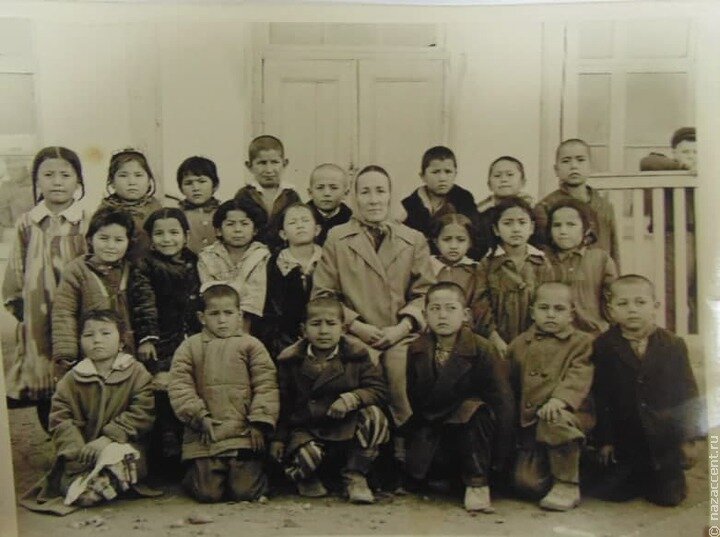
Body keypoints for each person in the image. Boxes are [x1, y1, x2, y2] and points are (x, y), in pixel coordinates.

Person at [312, 165, 436, 434]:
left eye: (380, 191)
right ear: (354, 197)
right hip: (354, 334)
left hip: (400, 335)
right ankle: (366, 445)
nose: (373, 199)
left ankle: (404, 439)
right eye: (365, 192)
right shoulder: (337, 238)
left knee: (402, 374)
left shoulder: (413, 239)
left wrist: (401, 328)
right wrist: (357, 326)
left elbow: (425, 294)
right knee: (359, 379)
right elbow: (323, 295)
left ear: (390, 195)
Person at [21, 309, 155, 515]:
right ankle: (89, 486)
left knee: (121, 457)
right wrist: (77, 450)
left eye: (105, 333)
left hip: (119, 444)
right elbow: (60, 419)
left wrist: (108, 439)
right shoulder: (71, 379)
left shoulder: (136, 373)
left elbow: (142, 412)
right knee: (72, 476)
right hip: (82, 453)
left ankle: (103, 483)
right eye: (88, 335)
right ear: (80, 341)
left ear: (121, 341)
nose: (96, 340)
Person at [590, 275, 704, 506]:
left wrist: (690, 438)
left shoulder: (673, 345)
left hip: (663, 438)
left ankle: (664, 476)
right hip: (625, 437)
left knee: (668, 497)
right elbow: (601, 396)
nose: (632, 309)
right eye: (623, 304)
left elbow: (688, 393)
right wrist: (605, 440)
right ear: (611, 310)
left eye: (640, 302)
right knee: (613, 493)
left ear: (655, 306)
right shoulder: (604, 345)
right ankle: (629, 474)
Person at [404, 282, 513, 513]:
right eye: (435, 309)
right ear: (425, 314)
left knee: (474, 410)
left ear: (465, 315)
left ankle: (477, 483)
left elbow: (502, 403)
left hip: (476, 435)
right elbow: (415, 397)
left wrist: (500, 459)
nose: (442, 315)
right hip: (436, 427)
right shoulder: (417, 348)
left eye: (450, 308)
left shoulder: (482, 349)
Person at [270, 297, 389, 504]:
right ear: (303, 330)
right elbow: (285, 404)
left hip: (345, 425)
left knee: (374, 417)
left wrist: (352, 399)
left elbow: (378, 390)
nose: (323, 331)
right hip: (308, 428)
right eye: (316, 324)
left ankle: (355, 475)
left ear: (343, 329)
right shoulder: (291, 361)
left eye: (331, 324)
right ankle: (306, 477)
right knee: (307, 457)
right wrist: (278, 439)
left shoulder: (357, 355)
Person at [168, 283, 279, 503]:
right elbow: (180, 386)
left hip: (243, 434)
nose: (222, 320)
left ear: (239, 315)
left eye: (228, 313)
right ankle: (196, 475)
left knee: (244, 492)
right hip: (206, 434)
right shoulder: (190, 347)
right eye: (214, 314)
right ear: (202, 318)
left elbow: (266, 384)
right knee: (207, 493)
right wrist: (198, 416)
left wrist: (259, 421)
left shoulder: (252, 345)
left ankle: (254, 475)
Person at [2, 147, 87, 430]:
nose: (57, 182)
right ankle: (54, 436)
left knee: (79, 369)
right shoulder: (28, 222)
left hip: (77, 311)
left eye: (65, 175)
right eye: (48, 175)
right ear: (37, 181)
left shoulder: (86, 220)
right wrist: (19, 306)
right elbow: (16, 269)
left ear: (78, 180)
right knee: (45, 377)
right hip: (39, 315)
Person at [507, 282, 594, 511]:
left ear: (571, 314)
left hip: (571, 416)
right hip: (532, 423)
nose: (551, 314)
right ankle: (556, 466)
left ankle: (567, 484)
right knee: (527, 484)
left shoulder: (582, 343)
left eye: (559, 309)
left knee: (555, 418)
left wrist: (560, 400)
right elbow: (509, 383)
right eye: (544, 308)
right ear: (532, 312)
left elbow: (579, 374)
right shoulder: (519, 344)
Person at [51, 208, 158, 379]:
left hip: (128, 351)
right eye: (103, 238)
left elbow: (145, 307)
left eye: (118, 240)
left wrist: (146, 339)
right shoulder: (76, 271)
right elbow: (64, 313)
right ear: (90, 239)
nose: (111, 246)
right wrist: (67, 354)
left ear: (129, 242)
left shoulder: (134, 270)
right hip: (92, 350)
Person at [135, 208, 202, 466]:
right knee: (162, 389)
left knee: (189, 385)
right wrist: (148, 337)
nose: (167, 239)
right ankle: (164, 447)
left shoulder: (195, 262)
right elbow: (144, 302)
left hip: (190, 335)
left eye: (174, 233)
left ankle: (189, 445)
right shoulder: (146, 266)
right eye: (159, 234)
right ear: (151, 239)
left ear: (186, 236)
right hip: (161, 338)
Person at [474, 196, 554, 356]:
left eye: (522, 222)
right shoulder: (487, 264)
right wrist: (493, 337)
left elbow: (548, 303)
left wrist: (531, 338)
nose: (516, 229)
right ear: (496, 229)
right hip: (496, 345)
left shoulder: (542, 263)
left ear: (531, 228)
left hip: (534, 342)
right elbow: (480, 305)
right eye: (508, 223)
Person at [534, 139, 620, 268]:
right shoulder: (545, 206)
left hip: (601, 272)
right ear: (556, 169)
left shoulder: (604, 205)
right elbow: (543, 252)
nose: (574, 166)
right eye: (566, 161)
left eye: (580, 160)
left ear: (590, 166)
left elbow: (613, 249)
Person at [543, 198, 617, 336]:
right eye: (557, 225)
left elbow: (612, 301)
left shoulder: (600, 259)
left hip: (594, 336)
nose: (563, 231)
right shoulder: (543, 260)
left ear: (586, 228)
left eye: (571, 224)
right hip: (553, 337)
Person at [197, 198, 271, 336]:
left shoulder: (262, 256)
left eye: (244, 224)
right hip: (216, 323)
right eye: (230, 224)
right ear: (218, 231)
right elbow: (209, 291)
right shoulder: (207, 257)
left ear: (255, 230)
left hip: (252, 325)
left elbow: (254, 297)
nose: (237, 230)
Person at [264, 202, 323, 358]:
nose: (300, 225)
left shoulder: (327, 260)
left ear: (317, 229)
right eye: (292, 222)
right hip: (284, 339)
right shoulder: (273, 265)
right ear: (283, 234)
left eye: (305, 220)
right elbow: (271, 311)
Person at [400, 146, 479, 258]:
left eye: (448, 172)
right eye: (435, 172)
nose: (442, 178)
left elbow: (474, 236)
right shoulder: (410, 204)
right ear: (422, 176)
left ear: (455, 174)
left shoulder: (464, 199)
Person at [234, 135, 301, 250]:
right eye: (262, 163)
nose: (269, 170)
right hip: (251, 252)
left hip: (285, 252)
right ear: (249, 166)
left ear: (284, 164)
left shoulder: (291, 195)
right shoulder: (244, 195)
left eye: (274, 162)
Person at [97, 148, 162, 259]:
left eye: (138, 175)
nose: (132, 182)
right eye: (123, 175)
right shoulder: (105, 212)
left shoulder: (157, 208)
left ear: (149, 181)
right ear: (112, 182)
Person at [476, 156, 535, 258]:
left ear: (523, 182)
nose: (503, 180)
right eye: (497, 175)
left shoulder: (532, 211)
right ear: (489, 184)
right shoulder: (481, 213)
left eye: (510, 174)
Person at [427, 213, 480, 308]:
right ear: (436, 241)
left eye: (461, 240)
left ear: (470, 243)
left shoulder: (477, 271)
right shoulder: (427, 267)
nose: (453, 246)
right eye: (446, 239)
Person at [172, 156, 221, 254]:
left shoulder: (224, 213)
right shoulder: (176, 216)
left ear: (215, 185)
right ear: (181, 188)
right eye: (188, 183)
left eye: (202, 181)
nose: (196, 188)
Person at [306, 163, 353, 246]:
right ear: (310, 192)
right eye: (320, 188)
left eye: (334, 188)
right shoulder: (301, 219)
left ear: (345, 193)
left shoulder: (351, 220)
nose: (326, 193)